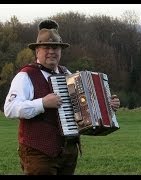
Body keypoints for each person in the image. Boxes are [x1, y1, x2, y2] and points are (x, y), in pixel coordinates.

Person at [3, 19, 121, 175]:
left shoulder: (68, 74)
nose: (52, 51)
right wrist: (42, 103)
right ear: (37, 51)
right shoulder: (26, 76)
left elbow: (84, 108)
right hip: (39, 152)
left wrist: (107, 105)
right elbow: (10, 109)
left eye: (56, 48)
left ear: (61, 51)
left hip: (68, 152)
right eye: (47, 47)